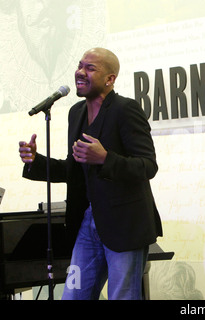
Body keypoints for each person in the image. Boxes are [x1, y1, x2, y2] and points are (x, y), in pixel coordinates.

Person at [18, 47, 162, 300]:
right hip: (87, 222)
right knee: (73, 295)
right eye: (80, 65)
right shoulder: (76, 112)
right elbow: (74, 168)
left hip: (124, 224)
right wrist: (35, 162)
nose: (80, 72)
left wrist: (105, 158)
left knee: (123, 297)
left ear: (110, 79)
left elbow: (147, 165)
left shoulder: (125, 110)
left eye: (90, 68)